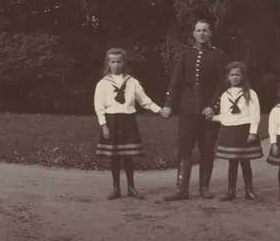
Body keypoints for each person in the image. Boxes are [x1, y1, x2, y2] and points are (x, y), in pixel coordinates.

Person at [163, 19, 230, 201]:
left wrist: (213, 106)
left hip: (209, 111)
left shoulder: (219, 55)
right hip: (187, 108)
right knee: (185, 147)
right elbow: (175, 81)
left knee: (207, 148)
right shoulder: (186, 54)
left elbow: (221, 84)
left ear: (210, 33)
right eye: (198, 30)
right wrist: (169, 103)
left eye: (205, 30)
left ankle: (204, 187)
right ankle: (181, 189)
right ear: (193, 34)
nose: (201, 34)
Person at [93, 48, 170, 200]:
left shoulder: (132, 82)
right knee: (114, 157)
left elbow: (144, 100)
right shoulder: (103, 84)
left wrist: (160, 110)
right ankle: (116, 188)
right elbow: (98, 106)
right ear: (108, 63)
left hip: (128, 121)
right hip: (112, 121)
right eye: (113, 62)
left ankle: (131, 187)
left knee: (128, 157)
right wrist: (104, 125)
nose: (116, 65)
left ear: (124, 62)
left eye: (119, 61)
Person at [211, 61, 263, 201]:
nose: (235, 77)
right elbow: (224, 115)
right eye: (232, 75)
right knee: (232, 163)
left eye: (238, 75)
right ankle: (231, 191)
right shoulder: (225, 94)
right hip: (229, 130)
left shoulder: (250, 93)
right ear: (227, 77)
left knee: (245, 162)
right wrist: (212, 117)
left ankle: (249, 191)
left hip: (244, 130)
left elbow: (255, 114)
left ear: (243, 77)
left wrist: (253, 132)